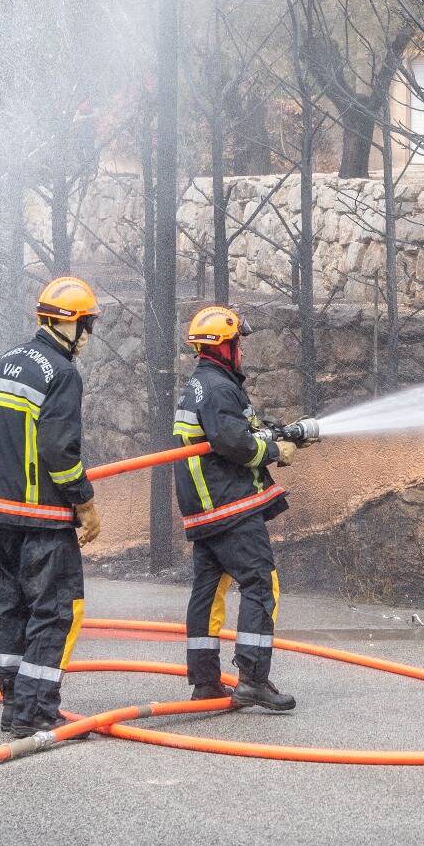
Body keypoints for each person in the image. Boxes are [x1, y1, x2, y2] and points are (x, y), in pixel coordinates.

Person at [0, 275, 103, 738]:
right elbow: (59, 449)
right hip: (42, 520)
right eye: (88, 324)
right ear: (69, 324)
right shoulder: (62, 373)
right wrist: (84, 503)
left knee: (10, 610)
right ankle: (37, 711)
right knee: (55, 610)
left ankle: (14, 705)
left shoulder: (0, 365)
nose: (89, 335)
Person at [173, 304, 298, 712]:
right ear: (225, 345)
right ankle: (253, 678)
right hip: (229, 507)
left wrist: (276, 432)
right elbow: (236, 444)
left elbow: (238, 431)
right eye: (237, 341)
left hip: (205, 511)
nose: (241, 348)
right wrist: (277, 450)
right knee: (262, 584)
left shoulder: (201, 385)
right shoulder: (219, 388)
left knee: (207, 594)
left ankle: (206, 682)